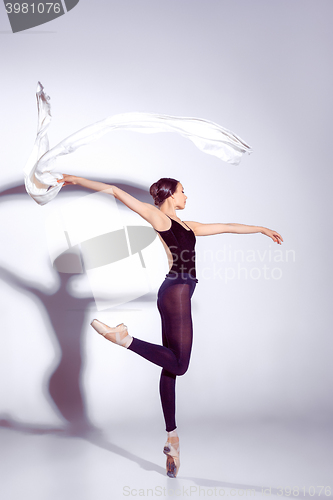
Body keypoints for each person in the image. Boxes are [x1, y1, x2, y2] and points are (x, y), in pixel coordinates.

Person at [58, 175, 283, 477]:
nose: (186, 196)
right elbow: (114, 190)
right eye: (182, 191)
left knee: (170, 367)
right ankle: (125, 339)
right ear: (170, 195)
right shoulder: (159, 217)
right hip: (176, 291)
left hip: (176, 291)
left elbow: (227, 226)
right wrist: (76, 179)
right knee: (180, 365)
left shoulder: (189, 226)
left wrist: (261, 229)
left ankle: (172, 440)